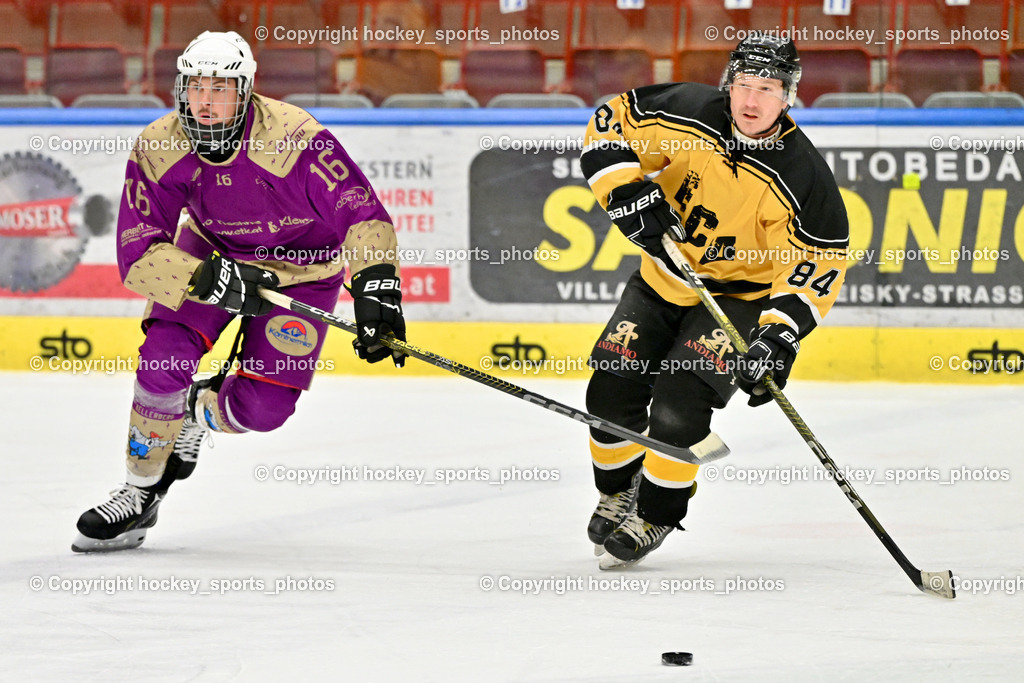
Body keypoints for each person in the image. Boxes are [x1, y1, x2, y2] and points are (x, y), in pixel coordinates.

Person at [72, 31, 406, 552]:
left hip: (303, 272)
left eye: (219, 88)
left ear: (246, 91)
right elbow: (138, 253)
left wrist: (377, 286)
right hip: (212, 256)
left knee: (263, 411)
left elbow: (361, 213)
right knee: (162, 359)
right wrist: (209, 279)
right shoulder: (161, 144)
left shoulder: (295, 138)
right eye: (195, 87)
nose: (204, 102)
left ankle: (196, 412)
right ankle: (139, 491)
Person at [580, 34, 849, 568]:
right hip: (662, 279)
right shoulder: (682, 110)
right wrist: (625, 191)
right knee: (609, 391)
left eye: (767, 89)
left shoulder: (803, 176)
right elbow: (609, 124)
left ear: (788, 96)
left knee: (678, 408)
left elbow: (819, 262)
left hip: (738, 301)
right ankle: (618, 491)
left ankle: (655, 512)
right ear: (728, 85)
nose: (752, 100)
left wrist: (779, 335)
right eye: (744, 85)